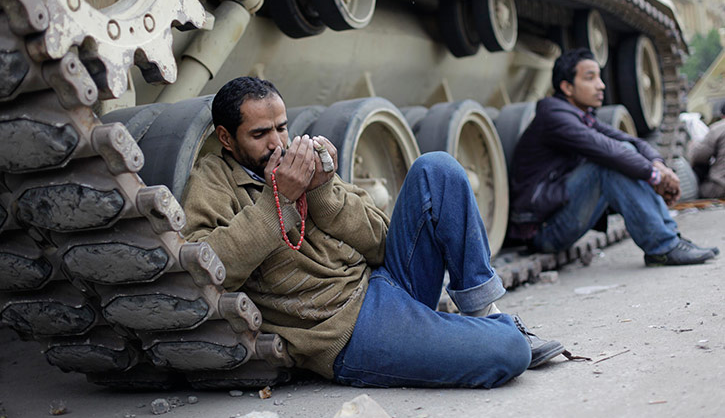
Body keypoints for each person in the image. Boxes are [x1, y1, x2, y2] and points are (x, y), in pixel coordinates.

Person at [181, 76, 566, 389]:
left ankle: (485, 311)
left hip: (383, 281)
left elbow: (382, 242)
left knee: (438, 168)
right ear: (227, 138)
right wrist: (278, 200)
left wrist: (323, 190)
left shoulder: (302, 161)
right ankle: (485, 333)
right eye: (260, 133)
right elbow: (209, 267)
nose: (278, 143)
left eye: (282, 128)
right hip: (346, 329)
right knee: (509, 350)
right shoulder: (213, 182)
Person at [508, 48, 718, 266]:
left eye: (599, 77)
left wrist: (659, 166)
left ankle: (669, 239)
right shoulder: (554, 116)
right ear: (567, 87)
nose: (601, 85)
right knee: (607, 165)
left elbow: (632, 142)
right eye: (590, 78)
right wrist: (656, 177)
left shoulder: (580, 115)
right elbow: (608, 151)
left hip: (561, 214)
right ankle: (662, 247)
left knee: (626, 150)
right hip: (543, 229)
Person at [687, 103, 725, 199]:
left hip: (720, 188)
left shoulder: (718, 128)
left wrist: (692, 147)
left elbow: (698, 157)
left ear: (722, 116)